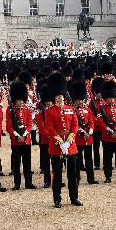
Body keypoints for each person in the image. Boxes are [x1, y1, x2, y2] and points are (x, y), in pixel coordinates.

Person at [44, 73, 81, 208]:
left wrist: (70, 139)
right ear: (54, 97)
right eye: (58, 96)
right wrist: (60, 142)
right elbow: (50, 128)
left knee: (72, 175)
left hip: (70, 146)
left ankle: (74, 197)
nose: (60, 98)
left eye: (62, 96)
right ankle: (57, 199)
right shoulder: (50, 111)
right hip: (57, 147)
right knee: (57, 175)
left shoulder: (70, 109)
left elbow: (75, 125)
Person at [94, 80, 116, 183]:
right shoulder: (101, 109)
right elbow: (100, 122)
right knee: (107, 159)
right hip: (107, 137)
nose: (112, 100)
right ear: (106, 98)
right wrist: (109, 131)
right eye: (109, 98)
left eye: (113, 98)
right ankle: (108, 176)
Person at [5, 80, 35, 190]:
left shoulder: (26, 109)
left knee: (27, 162)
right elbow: (9, 126)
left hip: (26, 140)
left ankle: (28, 182)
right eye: (18, 100)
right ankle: (17, 183)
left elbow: (29, 124)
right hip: (16, 140)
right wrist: (17, 135)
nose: (20, 102)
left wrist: (25, 134)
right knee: (17, 163)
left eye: (22, 100)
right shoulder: (10, 110)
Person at [69, 79, 96, 185]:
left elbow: (91, 122)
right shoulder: (72, 110)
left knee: (89, 160)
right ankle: (77, 178)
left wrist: (89, 132)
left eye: (80, 99)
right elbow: (73, 124)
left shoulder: (87, 109)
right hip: (78, 138)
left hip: (88, 138)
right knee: (77, 160)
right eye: (77, 100)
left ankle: (91, 178)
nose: (79, 101)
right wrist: (82, 132)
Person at [34, 84, 52, 188]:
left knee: (55, 162)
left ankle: (56, 180)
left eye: (50, 101)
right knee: (46, 162)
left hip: (54, 140)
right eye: (47, 102)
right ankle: (47, 181)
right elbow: (41, 127)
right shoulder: (40, 112)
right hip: (45, 140)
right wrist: (50, 136)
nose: (49, 103)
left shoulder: (55, 110)